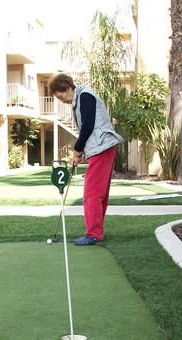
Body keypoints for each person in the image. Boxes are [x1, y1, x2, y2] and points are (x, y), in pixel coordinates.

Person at [48, 73, 125, 245]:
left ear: (68, 88)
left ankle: (93, 234)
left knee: (91, 193)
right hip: (102, 148)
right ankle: (96, 231)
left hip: (101, 148)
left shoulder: (85, 96)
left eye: (61, 97)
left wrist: (77, 150)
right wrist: (81, 151)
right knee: (100, 194)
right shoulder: (81, 98)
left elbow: (88, 125)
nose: (63, 101)